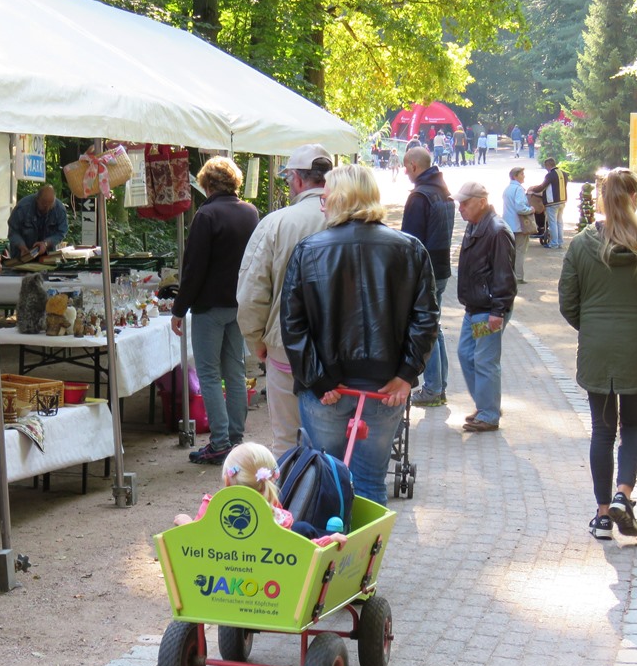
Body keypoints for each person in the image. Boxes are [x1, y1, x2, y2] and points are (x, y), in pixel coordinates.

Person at [280, 164, 438, 503]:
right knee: (369, 485)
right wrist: (406, 375)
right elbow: (426, 319)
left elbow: (293, 324)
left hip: (329, 389)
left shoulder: (309, 250)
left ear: (339, 198)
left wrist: (317, 379)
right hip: (384, 388)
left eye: (324, 199)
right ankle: (369, 556)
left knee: (323, 483)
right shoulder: (409, 249)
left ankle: (328, 553)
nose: (322, 206)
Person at [558, 167, 637, 539]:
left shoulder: (581, 244)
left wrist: (592, 329)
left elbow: (567, 302)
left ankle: (602, 515)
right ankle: (624, 494)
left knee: (602, 430)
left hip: (597, 348)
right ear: (635, 198)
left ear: (602, 199)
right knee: (633, 426)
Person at [236, 145, 332, 455]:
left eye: (289, 177)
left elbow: (252, 290)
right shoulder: (351, 219)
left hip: (284, 345)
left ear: (298, 180)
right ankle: (330, 498)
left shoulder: (276, 223)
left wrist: (256, 339)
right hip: (340, 348)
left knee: (286, 440)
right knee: (333, 439)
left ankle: (290, 499)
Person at [172, 157, 259, 464]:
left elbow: (193, 268)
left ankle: (220, 441)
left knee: (209, 373)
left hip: (209, 305)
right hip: (240, 304)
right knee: (234, 370)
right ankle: (235, 438)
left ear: (207, 184)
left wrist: (178, 309)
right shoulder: (251, 213)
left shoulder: (206, 215)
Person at [172, 442, 347, 546]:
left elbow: (198, 540)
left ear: (227, 481)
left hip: (221, 585)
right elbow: (303, 552)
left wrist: (187, 524)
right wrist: (328, 541)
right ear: (270, 480)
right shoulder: (275, 519)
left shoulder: (212, 509)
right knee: (303, 530)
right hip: (266, 590)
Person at [455, 181, 517, 433]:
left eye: (465, 203)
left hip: (488, 309)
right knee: (466, 354)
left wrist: (497, 311)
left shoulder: (496, 231)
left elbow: (504, 275)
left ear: (481, 202)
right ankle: (487, 405)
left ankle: (489, 413)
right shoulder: (476, 226)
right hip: (475, 307)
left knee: (484, 360)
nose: (461, 208)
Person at [401, 148, 454, 407]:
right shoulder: (442, 191)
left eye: (404, 167)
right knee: (435, 326)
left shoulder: (420, 196)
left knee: (427, 328)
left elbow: (409, 243)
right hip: (441, 267)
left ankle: (433, 387)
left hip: (426, 271)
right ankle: (438, 386)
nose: (404, 172)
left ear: (413, 165)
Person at [6, 185, 68, 259]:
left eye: (50, 206)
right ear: (37, 199)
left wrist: (46, 243)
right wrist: (21, 246)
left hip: (47, 256)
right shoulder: (23, 207)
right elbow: (13, 232)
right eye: (44, 205)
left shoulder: (59, 209)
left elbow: (61, 232)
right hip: (22, 255)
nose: (47, 209)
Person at [502, 166, 535, 284]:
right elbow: (520, 208)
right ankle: (519, 276)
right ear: (515, 176)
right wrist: (530, 209)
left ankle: (509, 275)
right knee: (520, 251)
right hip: (519, 225)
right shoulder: (519, 189)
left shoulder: (507, 189)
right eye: (521, 174)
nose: (524, 176)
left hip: (508, 224)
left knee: (511, 251)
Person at [532, 157, 568, 249]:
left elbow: (542, 187)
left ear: (548, 165)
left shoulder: (550, 175)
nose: (545, 168)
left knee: (552, 223)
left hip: (552, 202)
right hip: (562, 201)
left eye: (545, 166)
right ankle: (560, 242)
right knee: (559, 222)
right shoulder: (564, 174)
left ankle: (554, 243)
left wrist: (533, 189)